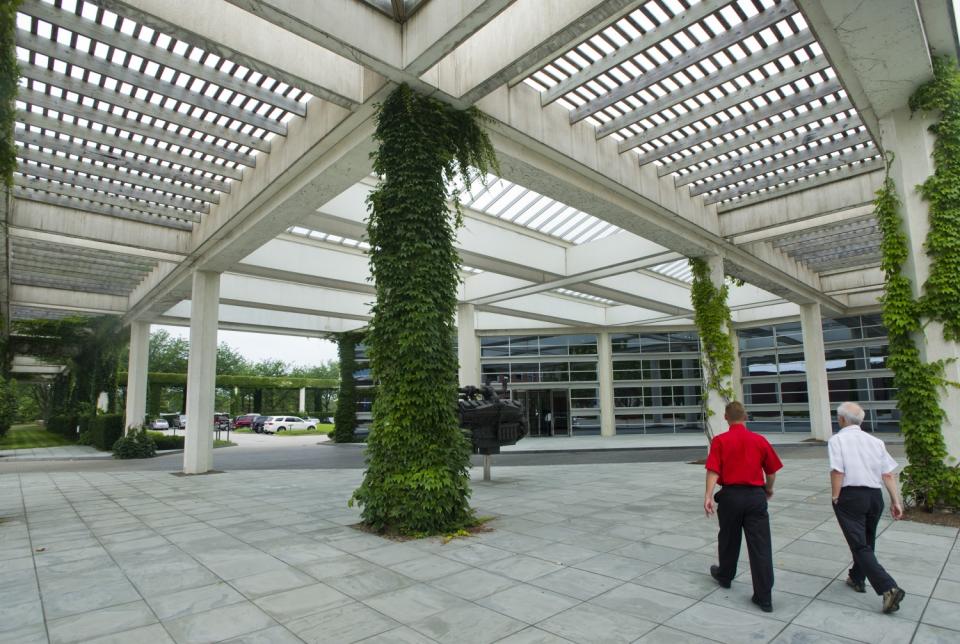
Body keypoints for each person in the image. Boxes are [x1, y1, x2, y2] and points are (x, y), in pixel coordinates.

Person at [704, 401, 783, 613]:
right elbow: (772, 471)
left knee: (728, 538)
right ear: (746, 417)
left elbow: (713, 470)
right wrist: (768, 489)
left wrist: (708, 496)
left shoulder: (720, 441)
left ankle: (725, 576)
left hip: (730, 496)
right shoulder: (759, 440)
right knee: (760, 546)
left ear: (726, 417)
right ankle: (764, 596)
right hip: (755, 497)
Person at [828, 401, 905, 614]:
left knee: (859, 545)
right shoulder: (875, 441)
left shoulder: (837, 440)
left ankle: (888, 587)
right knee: (867, 541)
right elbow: (887, 473)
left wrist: (835, 496)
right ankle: (857, 577)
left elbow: (837, 471)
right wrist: (896, 501)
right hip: (874, 497)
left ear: (842, 419)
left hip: (851, 497)